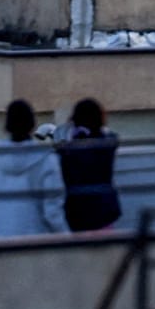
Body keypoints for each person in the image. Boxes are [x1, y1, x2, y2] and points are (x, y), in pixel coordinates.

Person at [0, 99, 67, 240]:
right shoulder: (46, 160)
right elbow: (52, 213)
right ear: (32, 126)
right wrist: (68, 239)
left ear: (7, 126)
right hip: (31, 245)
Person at [58, 97, 122, 233]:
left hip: (77, 214)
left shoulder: (68, 150)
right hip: (103, 212)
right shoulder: (107, 144)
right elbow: (112, 136)